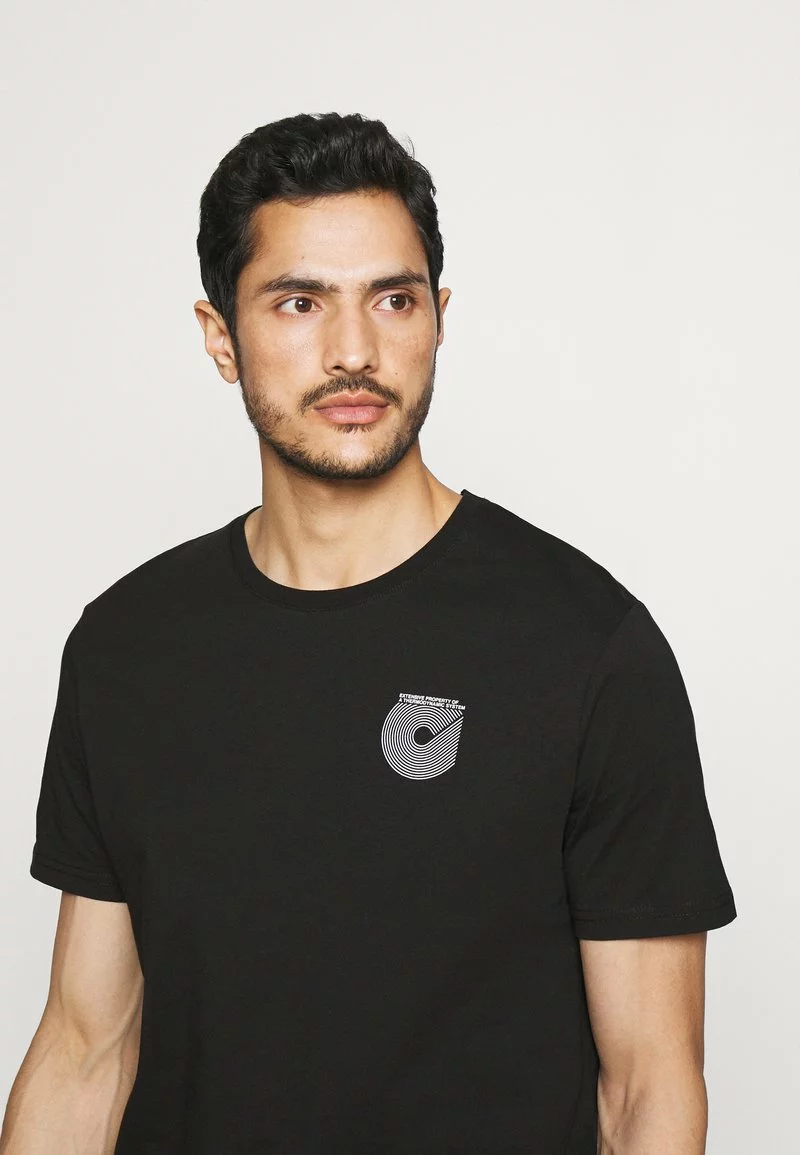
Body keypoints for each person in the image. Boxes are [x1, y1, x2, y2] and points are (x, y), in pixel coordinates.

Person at [1, 112, 736, 1155]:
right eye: (299, 303)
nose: (354, 351)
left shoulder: (587, 648)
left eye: (392, 300)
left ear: (437, 318)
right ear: (221, 337)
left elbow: (648, 1092)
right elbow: (85, 1048)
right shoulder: (125, 648)